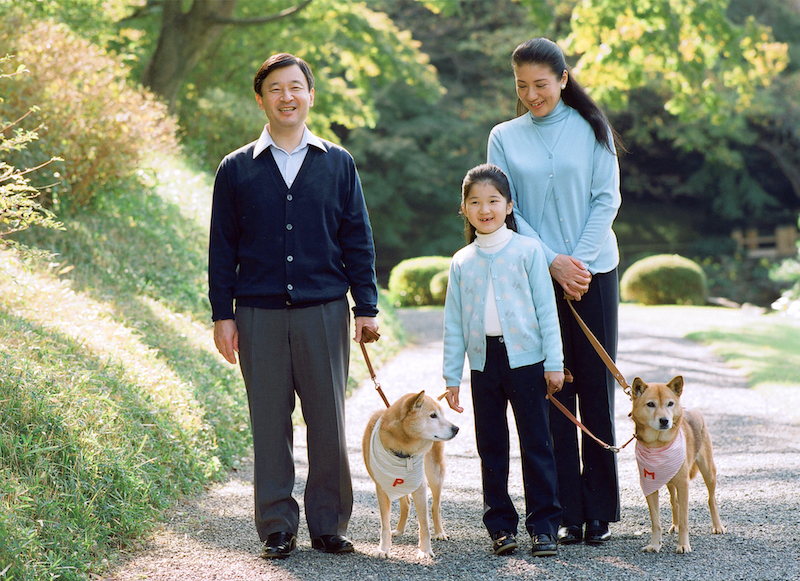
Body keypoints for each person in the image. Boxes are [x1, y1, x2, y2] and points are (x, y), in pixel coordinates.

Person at [208, 52, 379, 559]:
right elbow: (222, 248)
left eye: (295, 87)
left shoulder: (337, 162)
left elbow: (357, 239)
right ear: (261, 99)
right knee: (269, 422)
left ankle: (329, 524)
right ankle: (278, 526)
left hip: (323, 311)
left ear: (310, 95)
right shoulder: (237, 168)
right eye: (275, 89)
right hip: (257, 315)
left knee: (327, 419)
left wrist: (365, 306)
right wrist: (223, 314)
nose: (287, 96)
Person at [487, 37, 624, 546]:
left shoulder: (593, 129)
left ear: (563, 79)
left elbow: (605, 199)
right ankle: (565, 509)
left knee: (596, 388)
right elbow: (508, 208)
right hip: (535, 275)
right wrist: (551, 262)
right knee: (553, 391)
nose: (531, 95)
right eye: (522, 86)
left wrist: (578, 265)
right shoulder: (503, 136)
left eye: (540, 85)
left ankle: (601, 510)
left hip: (595, 273)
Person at [442, 163, 565, 557]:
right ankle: (500, 526)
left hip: (528, 362)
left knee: (537, 443)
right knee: (490, 446)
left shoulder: (527, 251)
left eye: (493, 201)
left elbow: (547, 311)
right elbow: (453, 324)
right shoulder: (462, 261)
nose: (485, 209)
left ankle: (544, 526)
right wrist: (451, 377)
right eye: (475, 202)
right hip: (484, 365)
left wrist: (554, 363)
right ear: (463, 209)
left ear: (509, 205)